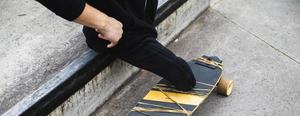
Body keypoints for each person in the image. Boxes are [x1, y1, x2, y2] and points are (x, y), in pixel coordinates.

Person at [36, 0, 196, 91]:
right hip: (123, 32)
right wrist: (103, 22)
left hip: (132, 21)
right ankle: (113, 26)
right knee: (184, 76)